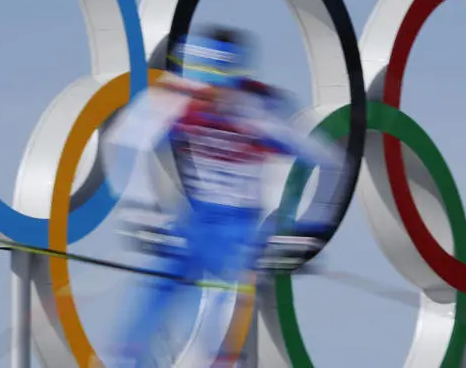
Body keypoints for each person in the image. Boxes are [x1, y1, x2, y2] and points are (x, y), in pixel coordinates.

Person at [105, 26, 349, 367]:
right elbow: (126, 143)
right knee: (147, 308)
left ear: (234, 77)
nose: (204, 95)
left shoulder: (260, 109)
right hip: (192, 221)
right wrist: (142, 211)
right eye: (197, 83)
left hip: (240, 229)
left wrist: (308, 230)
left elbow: (329, 162)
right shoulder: (171, 98)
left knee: (221, 322)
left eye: (215, 84)